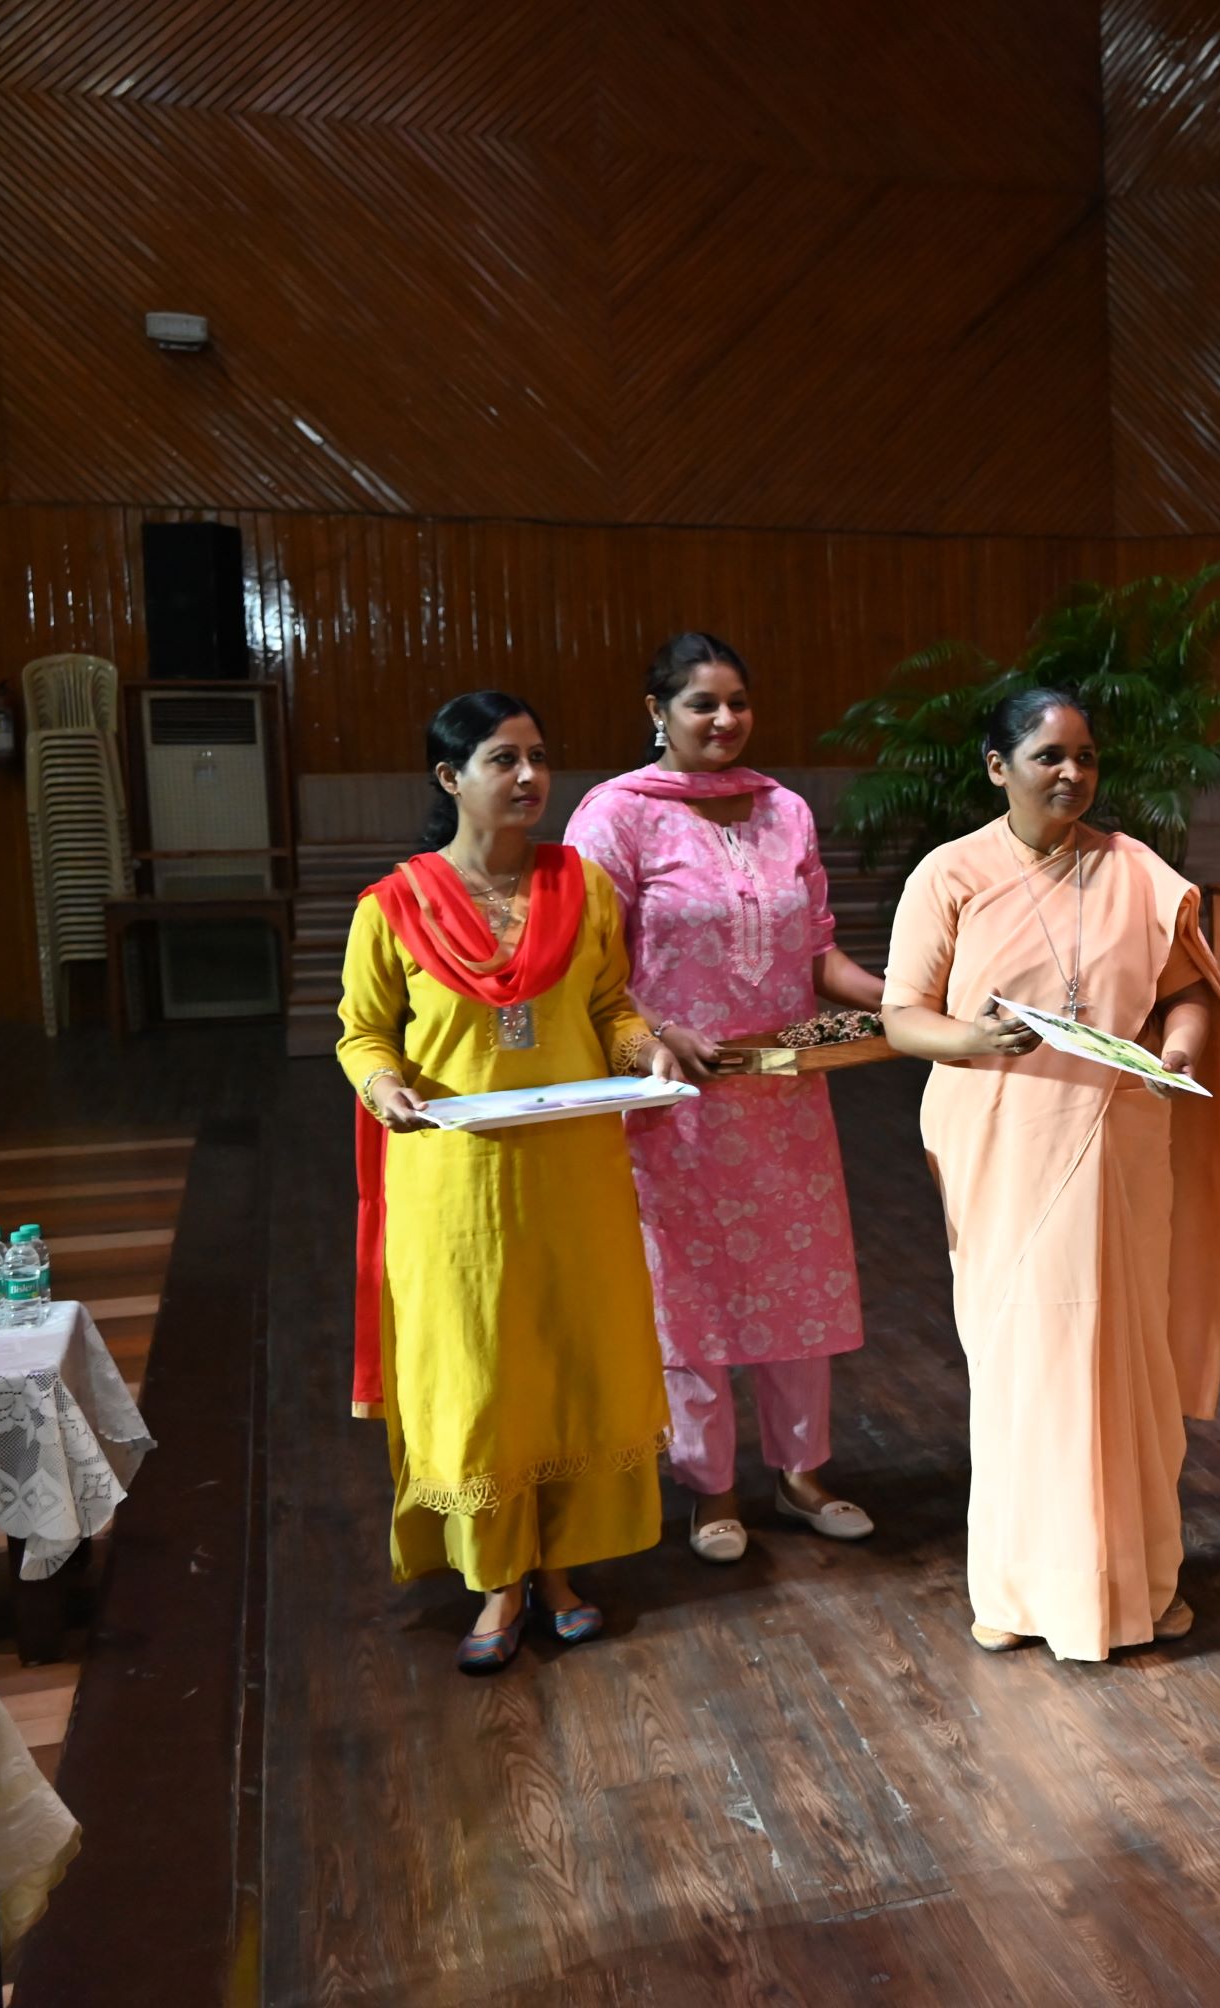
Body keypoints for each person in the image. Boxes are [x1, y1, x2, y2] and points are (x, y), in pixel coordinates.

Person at [879, 688, 1220, 1660]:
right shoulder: (949, 873)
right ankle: (1017, 1585)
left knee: (1125, 1358)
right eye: (1047, 756)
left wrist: (1182, 1052)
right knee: (1023, 1365)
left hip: (1119, 1142)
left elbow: (1186, 995)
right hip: (1002, 1142)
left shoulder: (1134, 870)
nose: (1071, 774)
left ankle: (1140, 1584)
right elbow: (901, 1013)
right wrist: (971, 1038)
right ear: (996, 766)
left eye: (1084, 756)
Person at [338, 692, 691, 1673]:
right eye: (504, 759)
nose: (531, 777)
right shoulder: (393, 905)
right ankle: (497, 1576)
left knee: (574, 1357)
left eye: (538, 756)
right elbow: (363, 1029)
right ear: (451, 778)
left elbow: (613, 1003)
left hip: (574, 1169)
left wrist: (644, 1046)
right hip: (454, 1181)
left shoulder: (583, 886)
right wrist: (381, 1082)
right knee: (485, 1376)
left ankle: (564, 1567)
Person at [565, 633, 884, 1565]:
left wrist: (904, 995)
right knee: (691, 1297)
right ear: (656, 712)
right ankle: (709, 1488)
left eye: (738, 701)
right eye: (702, 703)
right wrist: (658, 1030)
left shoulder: (785, 808)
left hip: (784, 1096)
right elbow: (589, 966)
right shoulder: (615, 817)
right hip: (675, 1105)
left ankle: (802, 1474)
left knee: (798, 1284)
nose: (725, 720)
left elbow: (818, 952)